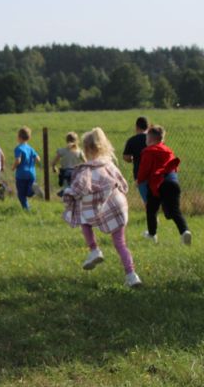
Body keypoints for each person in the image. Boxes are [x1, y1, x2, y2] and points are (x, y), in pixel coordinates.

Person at [61, 128, 141, 287]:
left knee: (84, 219)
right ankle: (132, 276)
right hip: (118, 205)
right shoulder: (109, 164)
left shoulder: (86, 170)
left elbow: (78, 189)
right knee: (120, 243)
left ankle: (94, 250)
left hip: (103, 206)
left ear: (87, 149)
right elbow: (123, 184)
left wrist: (66, 194)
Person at [137, 125, 192, 245]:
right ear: (162, 139)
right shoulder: (168, 150)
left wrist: (139, 181)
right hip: (173, 182)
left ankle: (152, 235)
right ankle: (185, 231)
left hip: (157, 184)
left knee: (151, 210)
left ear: (150, 138)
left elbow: (144, 170)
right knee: (175, 211)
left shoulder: (148, 151)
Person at [123, 116, 150, 204]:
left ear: (137, 127)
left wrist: (132, 159)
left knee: (147, 200)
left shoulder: (132, 140)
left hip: (139, 174)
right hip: (154, 172)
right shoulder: (152, 139)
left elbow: (126, 157)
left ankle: (152, 212)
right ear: (148, 127)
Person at [12, 127, 40, 210]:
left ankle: (26, 209)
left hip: (21, 174)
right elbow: (38, 159)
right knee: (28, 192)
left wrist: (13, 167)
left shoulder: (18, 148)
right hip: (32, 174)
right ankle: (34, 190)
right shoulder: (30, 148)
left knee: (21, 194)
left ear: (19, 137)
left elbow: (18, 160)